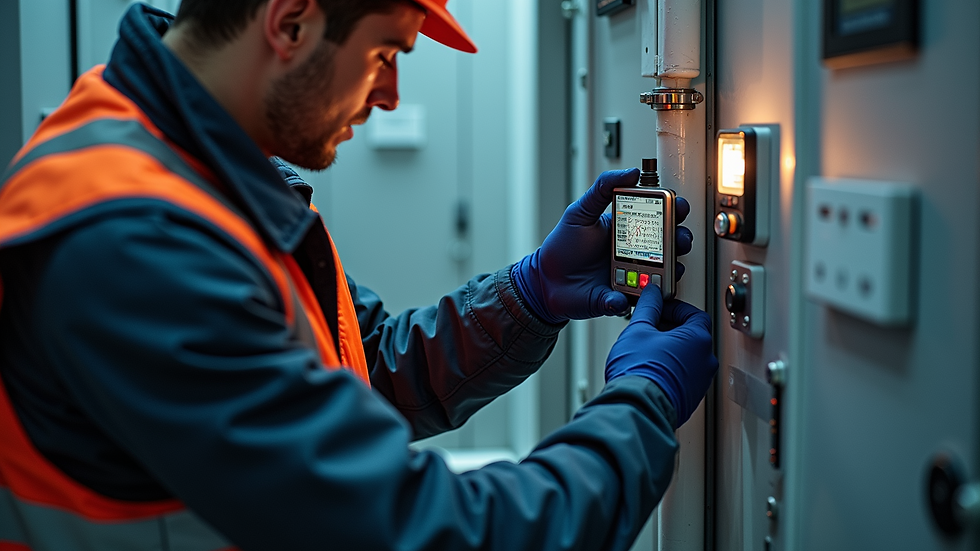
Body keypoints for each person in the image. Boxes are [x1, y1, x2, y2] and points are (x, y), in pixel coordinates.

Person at [0, 1, 718, 550]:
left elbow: (355, 366)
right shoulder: (135, 240)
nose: (391, 96)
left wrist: (528, 295)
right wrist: (642, 403)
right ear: (289, 22)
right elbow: (422, 531)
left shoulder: (202, 170)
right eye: (384, 53)